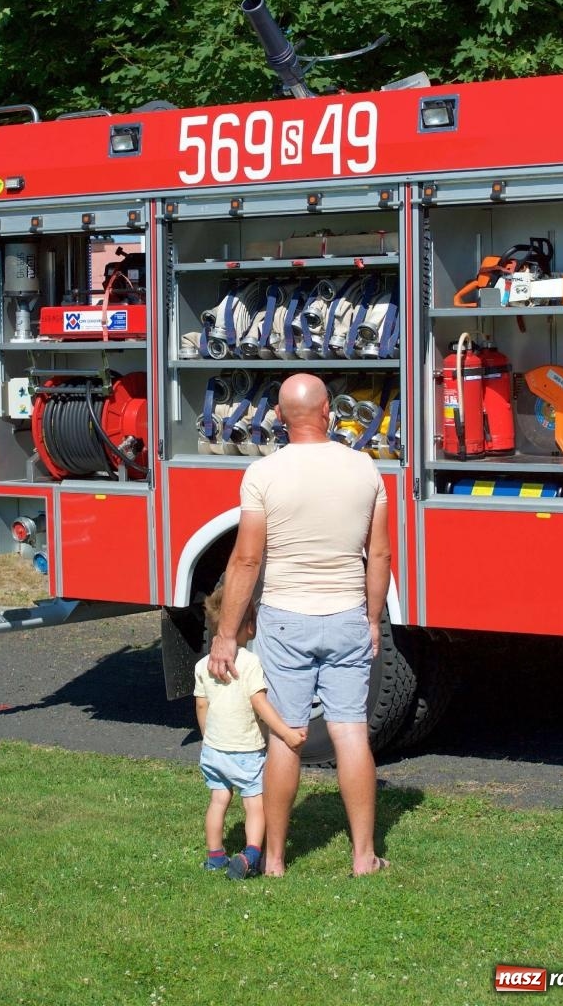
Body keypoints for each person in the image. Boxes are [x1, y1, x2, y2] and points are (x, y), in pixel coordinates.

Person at [207, 372, 391, 877]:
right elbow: (379, 552)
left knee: (287, 734)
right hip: (348, 614)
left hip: (286, 619)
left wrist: (226, 634)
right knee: (351, 731)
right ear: (328, 410)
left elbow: (245, 561)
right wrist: (372, 618)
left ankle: (274, 860)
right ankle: (363, 857)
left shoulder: (263, 475)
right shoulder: (365, 470)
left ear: (281, 419)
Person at [194, 580, 307, 879]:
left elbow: (202, 706)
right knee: (255, 805)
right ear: (250, 626)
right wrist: (285, 732)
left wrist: (209, 739)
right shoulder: (251, 662)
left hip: (213, 750)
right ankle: (252, 854)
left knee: (218, 801)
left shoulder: (204, 664)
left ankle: (215, 856)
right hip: (245, 751)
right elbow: (260, 702)